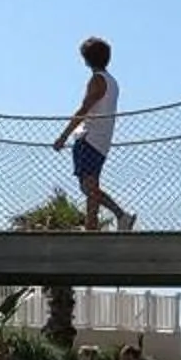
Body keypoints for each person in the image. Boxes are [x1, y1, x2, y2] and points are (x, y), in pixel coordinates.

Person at [55, 36, 135, 232]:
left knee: (87, 187)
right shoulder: (112, 81)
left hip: (89, 138)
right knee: (92, 186)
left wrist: (63, 135)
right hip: (103, 141)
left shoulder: (97, 80)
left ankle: (121, 214)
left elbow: (84, 109)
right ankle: (91, 227)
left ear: (87, 59)